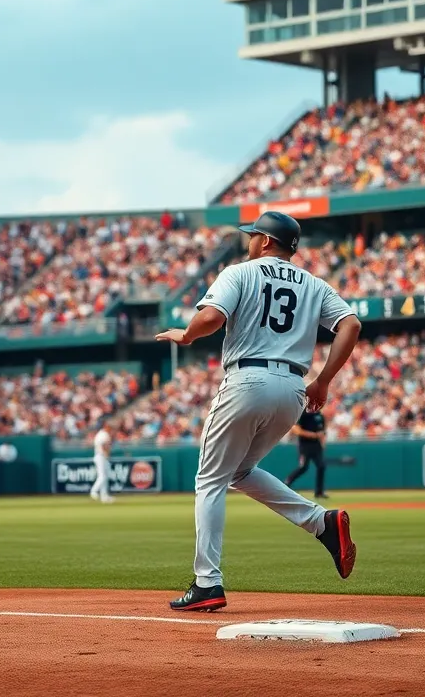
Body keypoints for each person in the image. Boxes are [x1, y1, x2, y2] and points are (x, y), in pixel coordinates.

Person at [156, 211, 361, 612]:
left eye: (253, 235)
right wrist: (322, 381)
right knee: (238, 473)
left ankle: (207, 583)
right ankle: (321, 523)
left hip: (248, 379)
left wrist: (186, 334)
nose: (248, 241)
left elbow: (212, 317)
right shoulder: (315, 285)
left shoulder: (240, 272)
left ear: (265, 241)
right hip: (293, 390)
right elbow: (351, 325)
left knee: (210, 479)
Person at [286, 408, 329, 499]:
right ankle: (287, 483)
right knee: (303, 467)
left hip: (317, 445)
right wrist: (313, 435)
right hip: (305, 445)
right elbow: (296, 430)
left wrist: (323, 443)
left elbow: (323, 432)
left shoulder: (320, 415)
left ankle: (319, 492)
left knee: (321, 466)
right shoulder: (303, 414)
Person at [89, 422, 114, 504]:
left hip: (101, 456)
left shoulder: (102, 434)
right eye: (108, 427)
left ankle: (104, 496)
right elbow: (104, 446)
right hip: (100, 456)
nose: (110, 428)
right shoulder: (103, 434)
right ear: (105, 426)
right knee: (102, 476)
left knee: (105, 476)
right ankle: (93, 491)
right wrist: (107, 454)